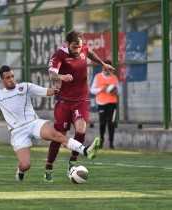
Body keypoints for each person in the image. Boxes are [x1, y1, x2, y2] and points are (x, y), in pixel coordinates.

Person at [0, 65, 100, 182]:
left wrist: (58, 88)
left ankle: (85, 150)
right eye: (8, 78)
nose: (12, 80)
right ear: (2, 80)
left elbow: (47, 91)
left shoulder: (26, 87)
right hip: (17, 131)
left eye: (13, 76)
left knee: (57, 135)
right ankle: (20, 170)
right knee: (25, 165)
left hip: (34, 123)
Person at [44, 30, 115, 182]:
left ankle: (73, 161)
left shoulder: (83, 48)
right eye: (74, 47)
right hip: (63, 101)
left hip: (81, 100)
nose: (77, 50)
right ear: (68, 44)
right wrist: (61, 76)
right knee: (58, 136)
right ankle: (48, 167)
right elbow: (52, 74)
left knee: (81, 129)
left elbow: (89, 53)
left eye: (79, 47)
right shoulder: (59, 54)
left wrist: (102, 64)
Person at [90, 60, 121, 149]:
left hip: (112, 104)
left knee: (111, 123)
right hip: (101, 103)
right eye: (106, 69)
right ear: (103, 68)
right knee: (102, 123)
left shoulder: (114, 78)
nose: (108, 71)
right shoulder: (98, 77)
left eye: (109, 69)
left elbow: (120, 90)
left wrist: (116, 91)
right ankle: (101, 141)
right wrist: (101, 89)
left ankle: (111, 143)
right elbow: (92, 90)